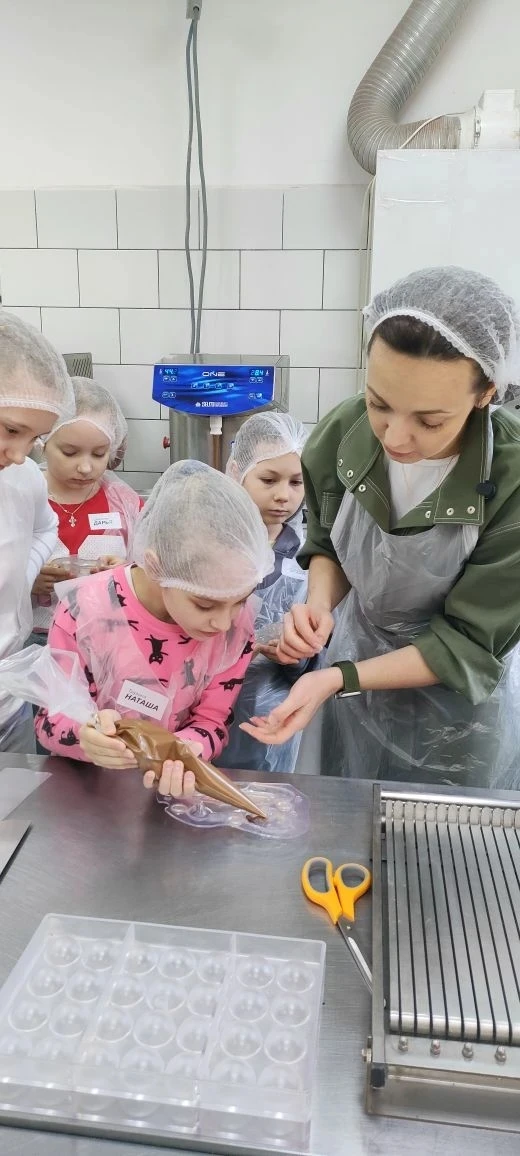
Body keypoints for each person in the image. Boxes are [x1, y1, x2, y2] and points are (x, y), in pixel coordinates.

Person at [241, 266, 520, 789]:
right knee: (345, 813)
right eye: (379, 404)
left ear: (487, 392)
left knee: (435, 830)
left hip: (459, 710)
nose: (394, 437)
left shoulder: (511, 478)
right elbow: (329, 542)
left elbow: (469, 642)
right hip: (352, 668)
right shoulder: (344, 432)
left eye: (429, 421)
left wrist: (340, 677)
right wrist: (319, 606)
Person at [36, 460, 273, 796]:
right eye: (204, 605)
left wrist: (186, 750)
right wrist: (85, 736)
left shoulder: (236, 626)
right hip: (85, 793)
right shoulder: (84, 609)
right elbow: (50, 718)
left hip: (168, 797)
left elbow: (213, 720)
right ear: (156, 566)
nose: (223, 623)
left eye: (240, 601)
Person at [216, 411, 309, 772]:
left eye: (297, 482)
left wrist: (296, 654)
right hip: (204, 702)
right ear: (237, 472)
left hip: (272, 706)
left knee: (264, 790)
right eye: (268, 480)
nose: (283, 495)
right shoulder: (211, 545)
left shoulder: (308, 558)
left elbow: (318, 653)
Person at [0, 310, 75, 753]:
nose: (18, 453)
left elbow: (46, 528)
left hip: (8, 704)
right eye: (11, 429)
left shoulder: (22, 477)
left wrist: (20, 579)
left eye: (34, 439)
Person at [31, 376, 142, 643]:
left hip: (107, 639)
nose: (85, 467)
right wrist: (26, 581)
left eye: (99, 454)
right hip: (33, 640)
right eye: (70, 453)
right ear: (42, 443)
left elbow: (153, 572)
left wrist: (125, 575)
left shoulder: (123, 503)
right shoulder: (24, 498)